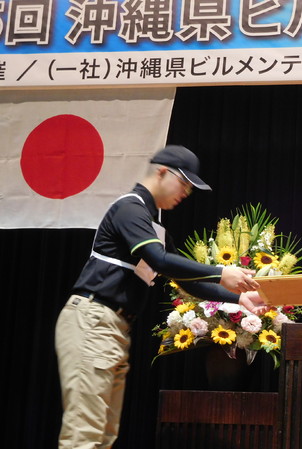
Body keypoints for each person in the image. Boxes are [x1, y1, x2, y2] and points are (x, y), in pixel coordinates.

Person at [55, 145, 263, 449]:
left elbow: (189, 282)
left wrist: (239, 299)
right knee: (85, 434)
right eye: (184, 183)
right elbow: (159, 260)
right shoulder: (129, 208)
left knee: (103, 435)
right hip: (93, 320)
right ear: (162, 172)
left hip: (112, 327)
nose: (186, 193)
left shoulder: (154, 227)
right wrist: (220, 271)